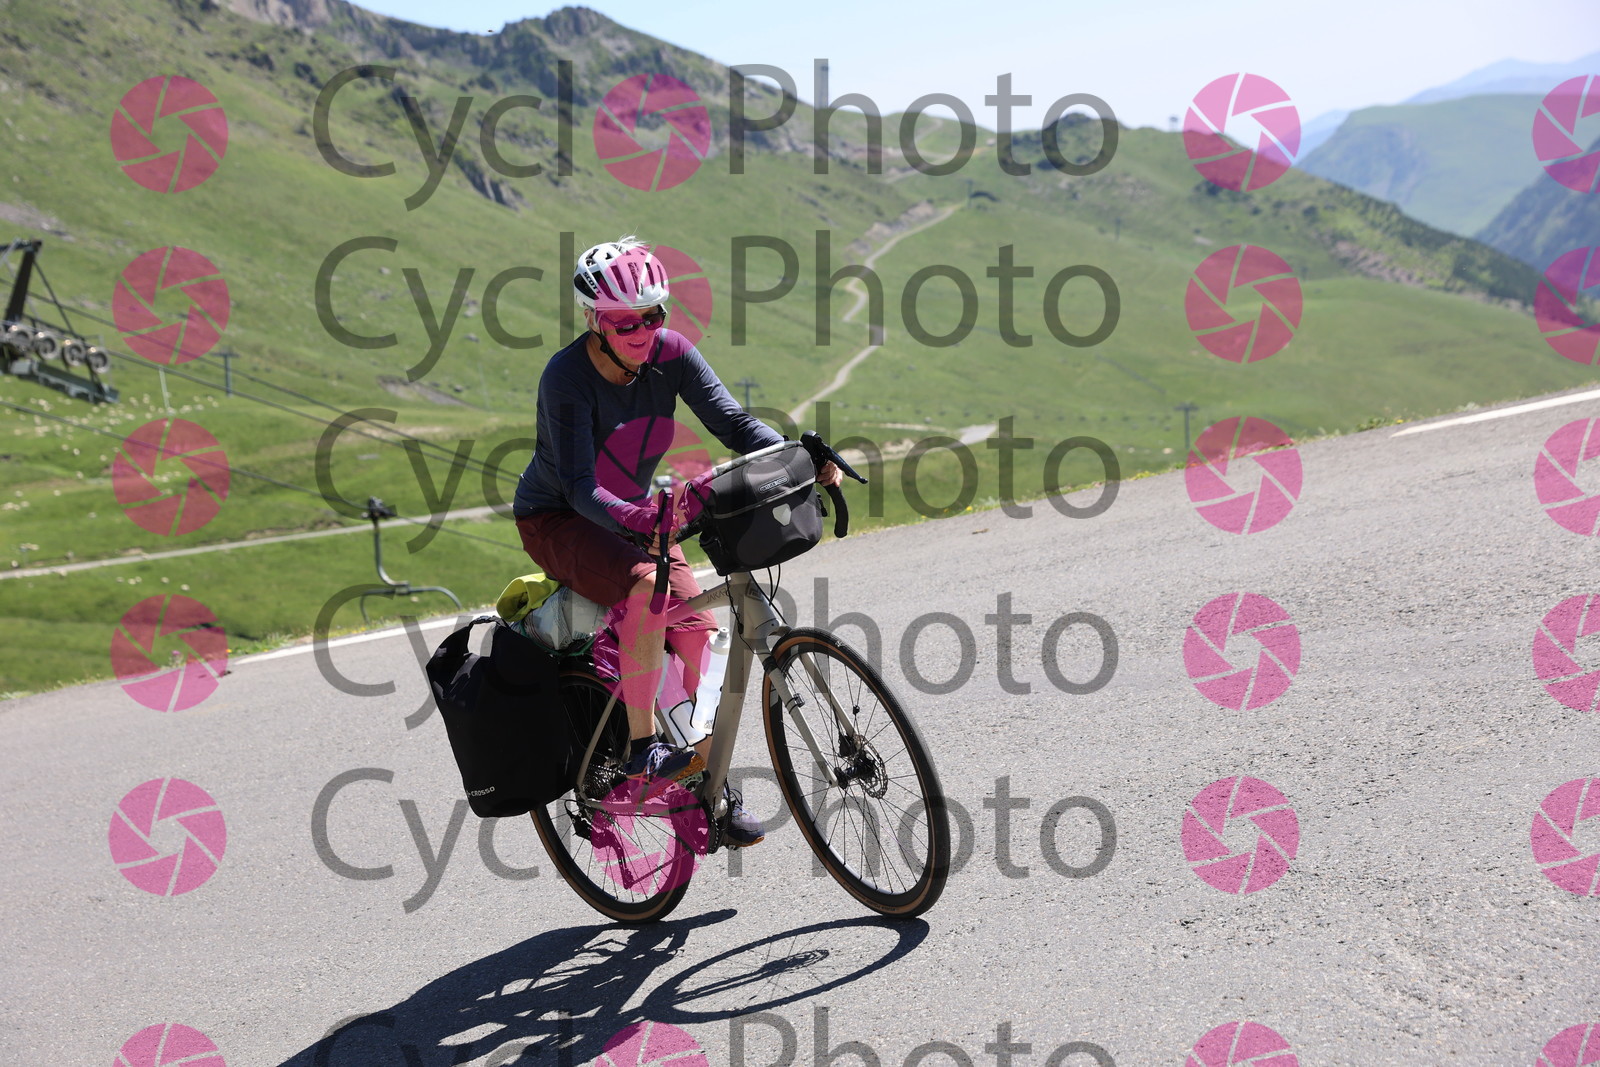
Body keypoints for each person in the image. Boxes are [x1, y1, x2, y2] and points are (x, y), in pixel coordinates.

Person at [513, 236, 840, 849]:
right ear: (594, 320)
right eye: (625, 322)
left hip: (637, 515)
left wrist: (798, 457)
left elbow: (735, 425)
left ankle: (708, 789)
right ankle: (642, 747)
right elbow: (580, 488)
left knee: (701, 644)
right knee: (646, 589)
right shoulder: (566, 378)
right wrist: (643, 519)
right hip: (559, 519)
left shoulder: (672, 353)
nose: (642, 331)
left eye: (652, 316)